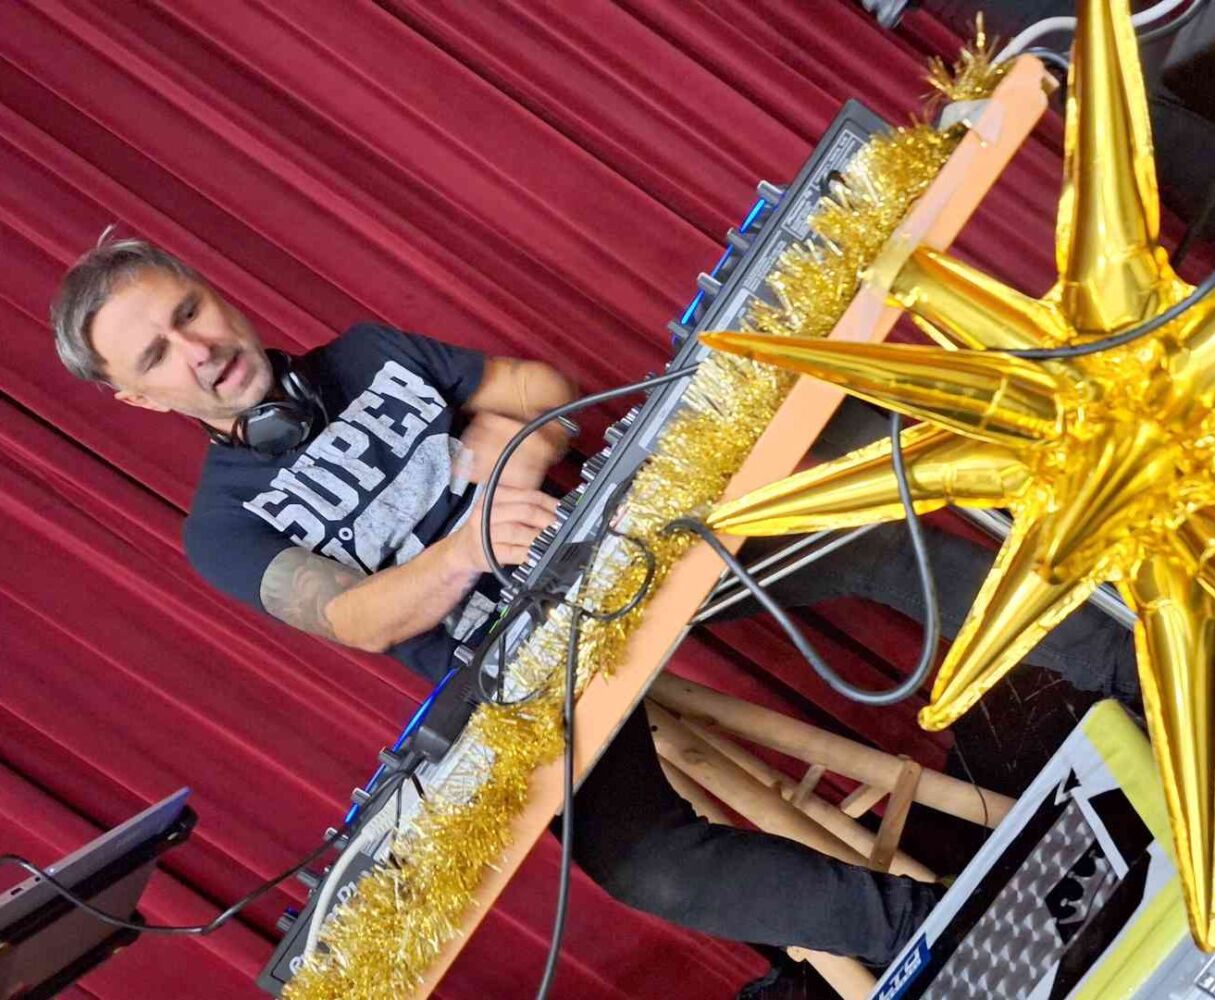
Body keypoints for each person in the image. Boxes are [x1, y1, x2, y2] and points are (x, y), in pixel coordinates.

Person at [49, 234, 1139, 968]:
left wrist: (503, 456)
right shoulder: (222, 526)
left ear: (215, 291)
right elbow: (359, 619)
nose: (202, 350)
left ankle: (1144, 669)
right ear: (136, 397)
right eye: (160, 354)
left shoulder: (366, 355)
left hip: (627, 560)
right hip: (529, 677)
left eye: (190, 311)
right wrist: (471, 546)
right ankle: (943, 931)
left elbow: (543, 390)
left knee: (860, 538)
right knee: (642, 862)